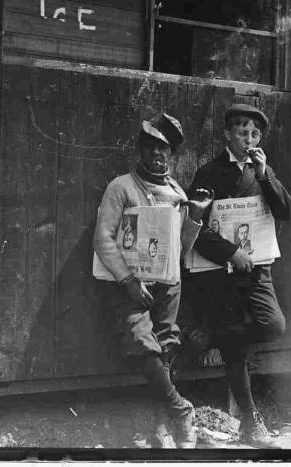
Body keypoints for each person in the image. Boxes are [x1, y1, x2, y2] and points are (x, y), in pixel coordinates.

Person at [93, 113, 212, 449]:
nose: (157, 155)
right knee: (139, 341)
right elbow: (103, 238)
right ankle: (181, 408)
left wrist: (197, 216)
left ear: (172, 155)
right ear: (140, 151)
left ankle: (163, 426)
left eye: (164, 150)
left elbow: (181, 249)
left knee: (168, 346)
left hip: (168, 284)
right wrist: (128, 280)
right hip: (133, 285)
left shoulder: (176, 192)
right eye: (151, 148)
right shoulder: (121, 187)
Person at [183, 103, 291, 448]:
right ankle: (251, 421)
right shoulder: (209, 172)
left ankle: (210, 335)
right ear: (227, 135)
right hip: (221, 273)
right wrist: (231, 252)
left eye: (254, 134)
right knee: (236, 351)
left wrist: (265, 174)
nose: (248, 139)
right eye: (242, 132)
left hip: (258, 270)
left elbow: (287, 212)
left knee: (273, 325)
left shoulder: (263, 171)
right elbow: (195, 229)